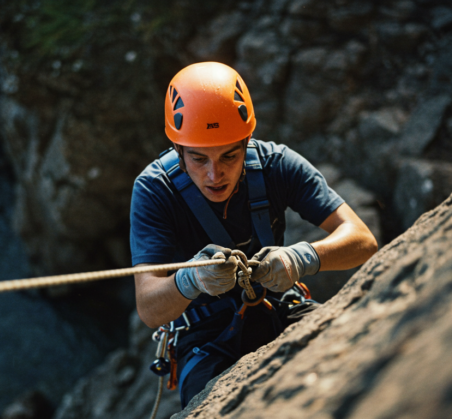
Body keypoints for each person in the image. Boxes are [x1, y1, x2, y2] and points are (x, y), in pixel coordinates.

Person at [130, 62, 377, 407]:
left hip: (279, 305)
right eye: (199, 159)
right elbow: (149, 306)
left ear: (247, 141)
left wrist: (301, 258)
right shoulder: (156, 190)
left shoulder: (277, 165)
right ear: (178, 150)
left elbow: (361, 240)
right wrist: (191, 281)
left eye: (230, 156)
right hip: (205, 337)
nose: (215, 175)